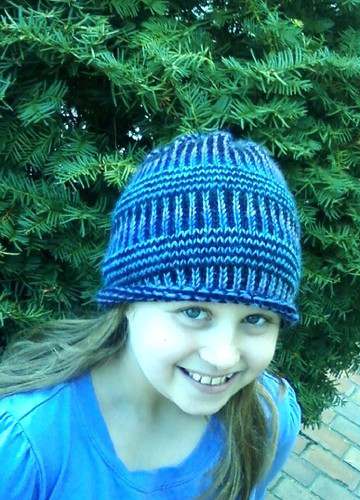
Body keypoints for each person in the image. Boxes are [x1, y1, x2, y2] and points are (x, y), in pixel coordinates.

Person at [0, 130, 303, 499]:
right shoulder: (26, 446)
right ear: (128, 302)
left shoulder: (267, 420)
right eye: (194, 311)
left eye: (256, 319)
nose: (223, 356)